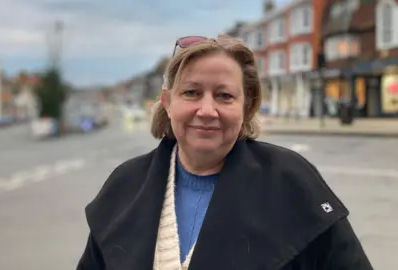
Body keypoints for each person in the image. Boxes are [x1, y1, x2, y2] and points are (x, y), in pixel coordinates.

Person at [76, 35, 373, 270]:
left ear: (246, 105)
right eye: (191, 92)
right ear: (167, 102)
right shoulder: (124, 185)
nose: (207, 111)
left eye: (224, 95)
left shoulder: (292, 181)